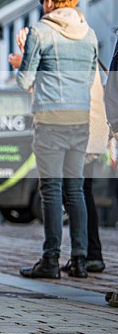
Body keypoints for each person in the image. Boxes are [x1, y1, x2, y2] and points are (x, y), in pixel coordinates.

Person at [9, 0, 97, 279]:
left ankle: (49, 260)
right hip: (80, 117)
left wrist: (20, 57)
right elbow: (88, 80)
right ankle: (80, 260)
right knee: (76, 190)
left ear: (49, 2)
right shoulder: (90, 36)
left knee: (51, 190)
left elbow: (25, 81)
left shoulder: (40, 32)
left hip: (50, 119)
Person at [61, 64, 109, 274]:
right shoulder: (90, 51)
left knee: (74, 193)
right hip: (90, 134)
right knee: (81, 193)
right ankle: (91, 253)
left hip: (80, 135)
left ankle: (87, 253)